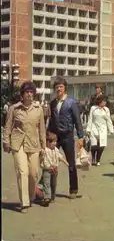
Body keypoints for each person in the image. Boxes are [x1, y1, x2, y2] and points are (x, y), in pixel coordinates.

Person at [2, 81, 46, 213]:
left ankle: (31, 195)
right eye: (27, 92)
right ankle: (24, 202)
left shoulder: (38, 110)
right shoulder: (14, 109)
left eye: (32, 92)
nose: (29, 95)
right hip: (18, 143)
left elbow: (42, 129)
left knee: (33, 173)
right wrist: (6, 142)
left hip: (33, 144)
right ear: (22, 94)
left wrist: (44, 145)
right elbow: (8, 127)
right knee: (22, 172)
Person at [47, 77, 84, 199]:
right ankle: (50, 191)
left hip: (68, 136)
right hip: (55, 137)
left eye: (61, 87)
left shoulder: (71, 102)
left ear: (65, 88)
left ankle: (73, 189)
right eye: (57, 87)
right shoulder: (52, 103)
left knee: (71, 164)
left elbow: (77, 120)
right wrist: (48, 136)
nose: (58, 89)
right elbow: (51, 121)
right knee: (50, 162)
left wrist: (80, 136)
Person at [38, 131, 69, 206]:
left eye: (56, 142)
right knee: (47, 184)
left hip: (54, 170)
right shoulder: (45, 150)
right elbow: (41, 158)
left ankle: (52, 197)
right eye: (53, 142)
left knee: (53, 184)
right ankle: (47, 198)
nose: (55, 143)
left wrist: (65, 162)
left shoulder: (56, 150)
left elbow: (59, 156)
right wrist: (41, 155)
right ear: (48, 142)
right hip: (47, 170)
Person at [86, 95, 114, 166]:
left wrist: (111, 129)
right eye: (103, 101)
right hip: (94, 128)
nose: (104, 103)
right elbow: (90, 119)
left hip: (103, 129)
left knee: (101, 146)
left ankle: (98, 159)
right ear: (99, 101)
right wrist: (88, 129)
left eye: (105, 101)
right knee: (94, 145)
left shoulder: (106, 109)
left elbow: (108, 120)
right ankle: (93, 158)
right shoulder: (93, 108)